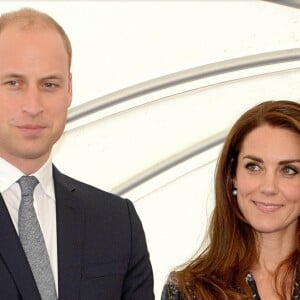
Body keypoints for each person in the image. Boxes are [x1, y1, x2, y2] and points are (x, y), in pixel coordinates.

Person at [0, 7, 154, 300]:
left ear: (69, 89)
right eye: (14, 83)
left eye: (49, 84)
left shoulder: (117, 223)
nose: (33, 105)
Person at [161, 100, 300, 300]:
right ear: (232, 175)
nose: (268, 187)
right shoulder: (188, 290)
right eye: (254, 167)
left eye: (289, 170)